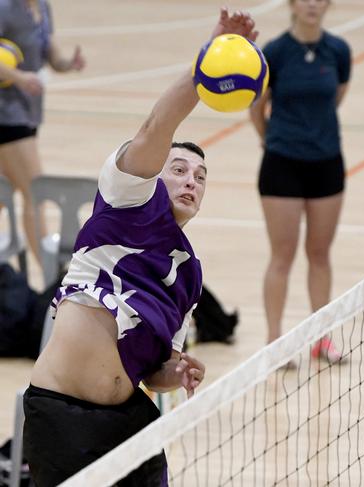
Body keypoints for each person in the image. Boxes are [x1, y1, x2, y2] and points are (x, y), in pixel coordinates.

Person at [22, 9, 258, 486]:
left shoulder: (189, 273)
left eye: (200, 176)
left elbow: (155, 371)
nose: (191, 180)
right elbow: (157, 126)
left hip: (132, 422)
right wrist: (204, 65)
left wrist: (178, 371)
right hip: (61, 416)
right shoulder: (127, 199)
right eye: (179, 169)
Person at [249, 0, 351, 362]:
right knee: (282, 256)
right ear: (292, 3)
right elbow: (256, 108)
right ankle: (275, 341)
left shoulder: (338, 50)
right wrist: (272, 139)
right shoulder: (274, 53)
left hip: (327, 164)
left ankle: (321, 338)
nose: (312, 4)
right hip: (282, 166)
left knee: (320, 255)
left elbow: (335, 96)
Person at [0, 0, 85, 264]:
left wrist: (67, 63)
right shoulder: (5, 7)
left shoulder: (42, 7)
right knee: (35, 191)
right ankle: (51, 272)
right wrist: (18, 77)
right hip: (6, 113)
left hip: (28, 111)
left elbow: (50, 53)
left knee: (7, 188)